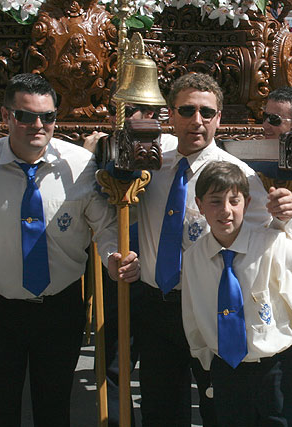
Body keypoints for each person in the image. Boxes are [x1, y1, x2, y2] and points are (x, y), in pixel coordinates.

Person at [0, 73, 140, 426]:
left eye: (48, 116)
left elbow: (102, 224)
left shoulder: (80, 165)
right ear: (6, 116)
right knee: (1, 403)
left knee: (54, 404)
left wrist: (113, 256)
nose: (37, 125)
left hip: (60, 308)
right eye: (25, 116)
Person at [134, 72, 292, 426]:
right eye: (187, 110)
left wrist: (287, 217)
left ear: (219, 118)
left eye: (207, 112)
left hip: (212, 307)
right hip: (155, 305)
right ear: (170, 114)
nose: (197, 120)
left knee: (220, 407)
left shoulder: (239, 177)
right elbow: (108, 209)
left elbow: (279, 241)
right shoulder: (148, 166)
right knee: (159, 407)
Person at [182, 160, 292, 426]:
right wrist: (207, 362)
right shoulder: (194, 258)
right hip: (227, 370)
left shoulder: (272, 244)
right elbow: (193, 313)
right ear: (199, 205)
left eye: (234, 201)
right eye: (215, 201)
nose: (226, 211)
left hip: (278, 370)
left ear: (247, 201)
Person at [83, 92, 161, 427]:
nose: (138, 116)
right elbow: (96, 207)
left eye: (148, 111)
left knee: (162, 368)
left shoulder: (169, 148)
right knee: (114, 360)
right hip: (121, 265)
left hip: (161, 273)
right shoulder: (105, 147)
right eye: (128, 110)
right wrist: (88, 156)